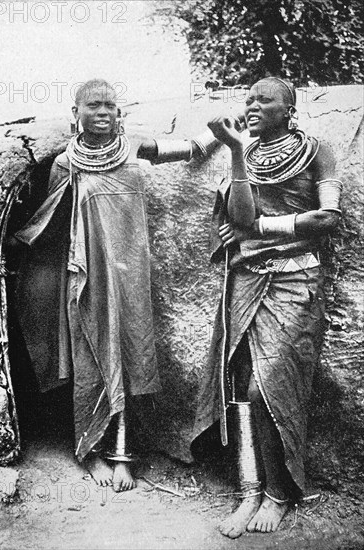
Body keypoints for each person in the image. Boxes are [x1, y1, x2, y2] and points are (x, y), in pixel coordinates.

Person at [8, 78, 217, 491]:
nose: (103, 112)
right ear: (76, 113)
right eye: (93, 105)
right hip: (85, 276)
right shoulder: (66, 164)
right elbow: (51, 225)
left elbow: (191, 150)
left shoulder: (135, 146)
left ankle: (124, 455)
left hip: (130, 271)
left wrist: (223, 131)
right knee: (91, 357)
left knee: (130, 354)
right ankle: (91, 452)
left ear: (119, 112)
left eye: (109, 105)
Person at [192, 76, 342, 537]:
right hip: (247, 278)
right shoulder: (247, 153)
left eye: (265, 100)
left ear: (289, 108)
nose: (253, 105)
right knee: (238, 385)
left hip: (297, 278)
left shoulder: (318, 150)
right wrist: (236, 151)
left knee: (268, 387)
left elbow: (327, 220)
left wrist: (260, 227)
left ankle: (279, 492)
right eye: (249, 99)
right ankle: (249, 491)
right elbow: (238, 221)